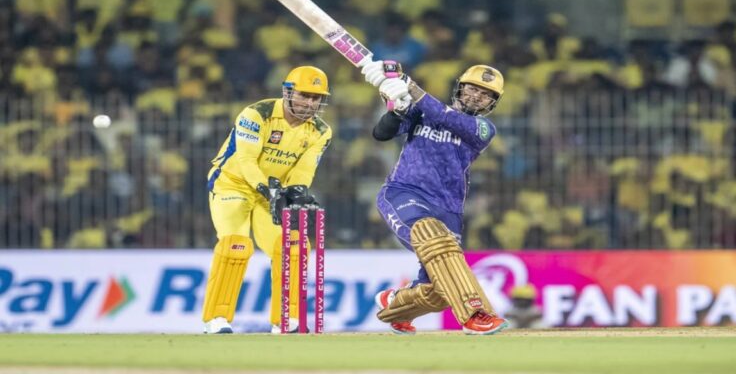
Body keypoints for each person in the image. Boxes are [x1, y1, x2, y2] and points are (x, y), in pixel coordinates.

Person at [361, 60, 509, 335]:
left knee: (439, 288)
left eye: (485, 94)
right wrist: (397, 108)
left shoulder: (483, 129)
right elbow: (382, 133)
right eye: (472, 88)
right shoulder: (422, 111)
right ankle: (476, 314)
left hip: (448, 208)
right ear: (460, 87)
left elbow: (445, 117)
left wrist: (410, 86)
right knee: (431, 234)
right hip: (404, 192)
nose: (477, 96)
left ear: (492, 103)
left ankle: (396, 305)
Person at [202, 66, 332, 334]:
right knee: (235, 244)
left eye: (316, 98)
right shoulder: (257, 114)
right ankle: (217, 319)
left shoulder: (321, 130)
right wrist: (266, 189)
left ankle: (286, 320)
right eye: (304, 95)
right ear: (288, 92)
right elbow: (246, 160)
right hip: (233, 184)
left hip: (274, 191)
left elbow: (304, 169)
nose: (310, 103)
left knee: (293, 246)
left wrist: (297, 192)